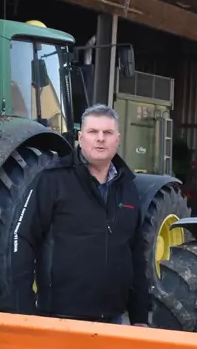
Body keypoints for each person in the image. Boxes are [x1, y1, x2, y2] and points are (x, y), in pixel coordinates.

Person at [9, 104, 151, 326]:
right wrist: (23, 310)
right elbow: (23, 238)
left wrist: (139, 317)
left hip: (113, 320)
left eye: (107, 132)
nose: (100, 138)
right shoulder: (53, 179)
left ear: (118, 139)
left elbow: (136, 254)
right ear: (80, 137)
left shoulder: (128, 187)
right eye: (93, 132)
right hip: (61, 318)